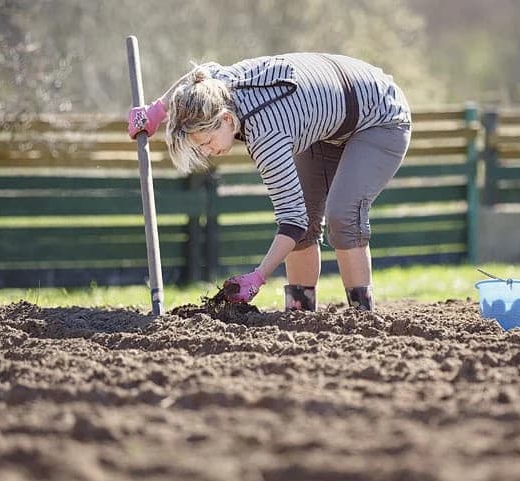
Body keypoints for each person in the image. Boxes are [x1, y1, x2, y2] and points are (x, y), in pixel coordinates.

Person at [128, 53, 411, 312]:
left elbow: (292, 221)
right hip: (326, 119)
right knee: (308, 219)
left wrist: (258, 277)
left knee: (342, 215)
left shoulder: (266, 134)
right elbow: (195, 76)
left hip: (380, 115)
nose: (206, 151)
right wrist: (157, 110)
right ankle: (299, 313)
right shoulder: (214, 87)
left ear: (226, 118)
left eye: (208, 141)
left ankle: (362, 315)